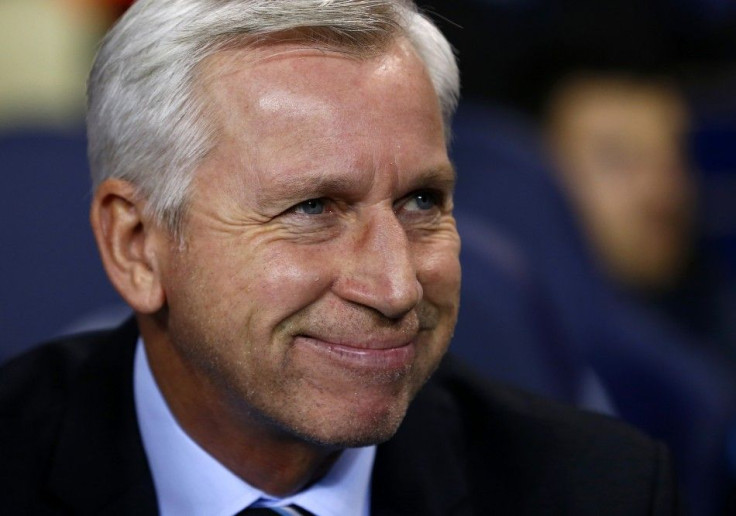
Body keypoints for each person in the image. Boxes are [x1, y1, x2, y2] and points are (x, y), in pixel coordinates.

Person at [0, 1, 681, 514]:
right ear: (136, 245)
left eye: (421, 201)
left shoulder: (599, 491)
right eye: (313, 209)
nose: (397, 288)